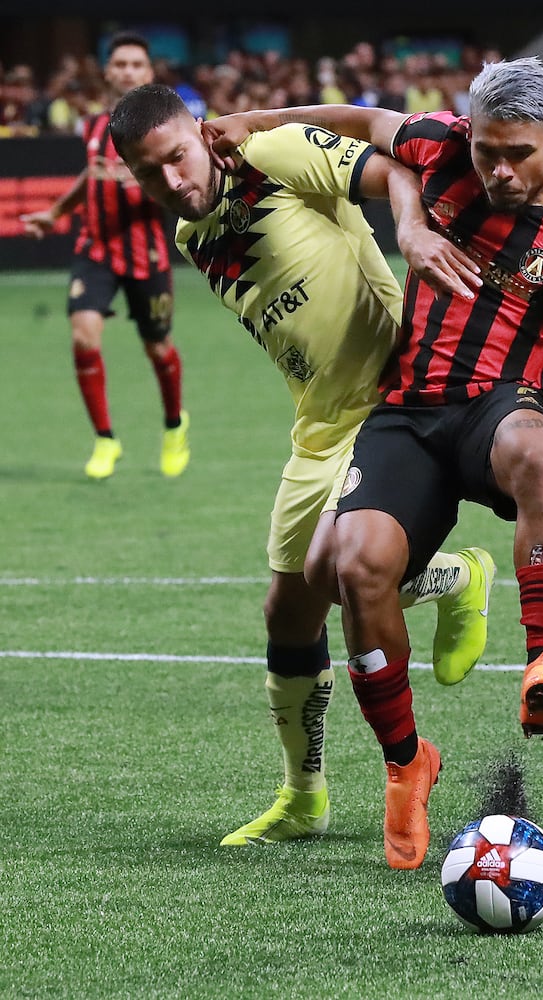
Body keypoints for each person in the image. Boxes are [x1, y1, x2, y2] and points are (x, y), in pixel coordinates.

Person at [203, 57, 543, 870]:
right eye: (486, 151)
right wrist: (256, 123)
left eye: (518, 153)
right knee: (351, 566)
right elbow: (357, 119)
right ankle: (407, 761)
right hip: (406, 411)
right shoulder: (441, 148)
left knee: (533, 451)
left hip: (501, 406)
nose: (500, 170)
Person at [108, 82, 500, 850]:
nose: (171, 183)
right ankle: (303, 797)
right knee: (286, 615)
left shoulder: (269, 155)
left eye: (178, 158)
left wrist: (413, 235)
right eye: (149, 174)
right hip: (317, 425)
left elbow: (391, 171)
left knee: (337, 577)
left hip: (387, 403)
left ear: (199, 134)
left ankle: (452, 588)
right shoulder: (193, 236)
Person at [20, 33, 189, 480]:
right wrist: (56, 211)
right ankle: (105, 440)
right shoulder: (95, 124)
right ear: (109, 72)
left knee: (157, 347)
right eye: (120, 64)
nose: (128, 71)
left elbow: (184, 185)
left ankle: (174, 425)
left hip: (145, 254)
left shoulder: (165, 128)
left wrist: (144, 183)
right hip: (95, 249)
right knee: (83, 336)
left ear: (149, 74)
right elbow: (90, 174)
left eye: (137, 64)